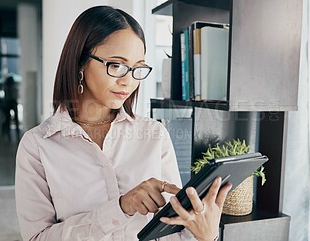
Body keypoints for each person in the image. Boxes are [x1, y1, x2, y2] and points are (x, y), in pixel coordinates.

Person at [15, 6, 232, 241]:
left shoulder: (154, 134)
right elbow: (37, 238)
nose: (128, 81)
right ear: (80, 62)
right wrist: (121, 208)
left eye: (137, 68)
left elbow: (172, 230)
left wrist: (205, 234)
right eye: (116, 65)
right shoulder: (37, 145)